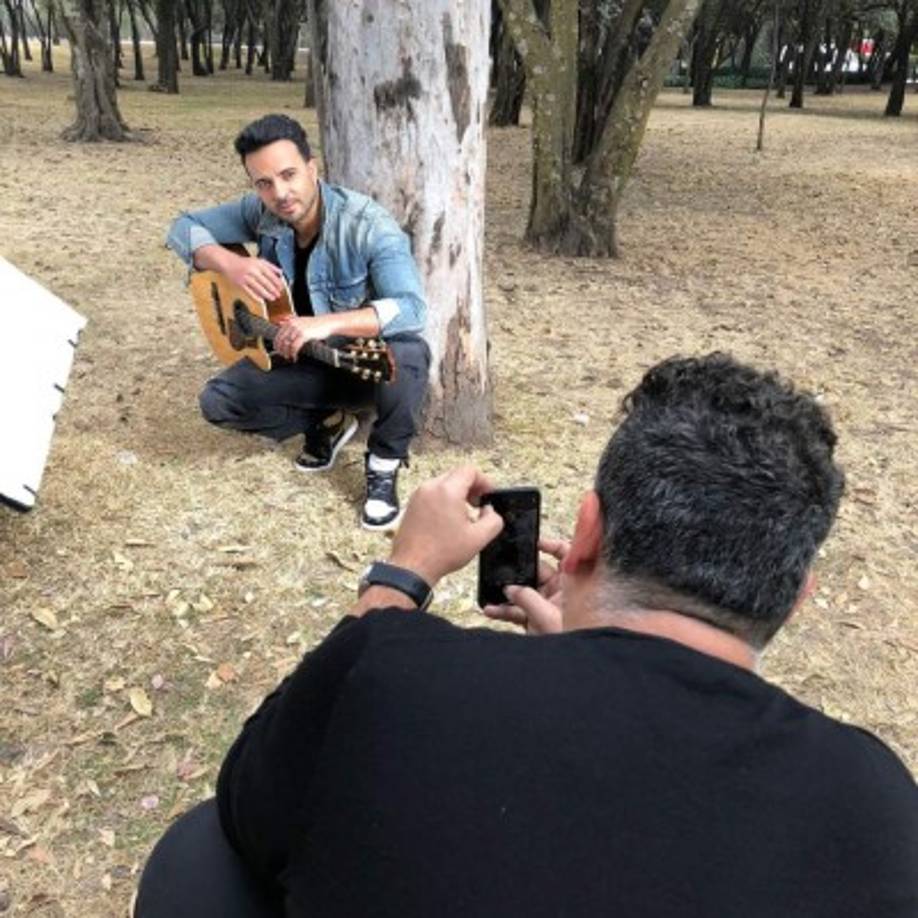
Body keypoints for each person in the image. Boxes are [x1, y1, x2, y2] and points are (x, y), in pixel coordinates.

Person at [135, 353, 918, 917]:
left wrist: (402, 573)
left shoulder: (395, 679)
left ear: (582, 537)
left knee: (198, 861)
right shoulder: (877, 803)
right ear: (798, 595)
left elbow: (248, 805)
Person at [166, 114, 430, 530]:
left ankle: (383, 465)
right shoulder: (261, 213)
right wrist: (230, 264)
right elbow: (182, 227)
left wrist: (323, 324)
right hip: (297, 359)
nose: (280, 193)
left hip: (359, 363)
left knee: (411, 353)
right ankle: (326, 419)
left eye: (289, 175)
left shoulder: (367, 225)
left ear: (312, 167)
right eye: (264, 183)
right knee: (218, 402)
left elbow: (411, 308)